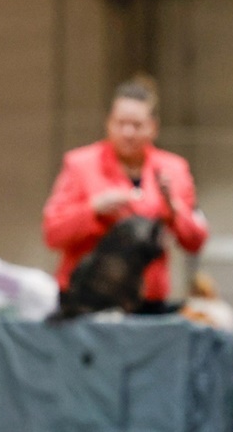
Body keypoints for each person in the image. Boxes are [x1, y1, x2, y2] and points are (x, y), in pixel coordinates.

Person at [43, 75, 208, 312]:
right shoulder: (80, 165)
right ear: (108, 123)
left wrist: (173, 208)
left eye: (137, 125)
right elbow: (52, 232)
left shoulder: (174, 170)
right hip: (85, 299)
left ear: (154, 127)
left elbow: (196, 241)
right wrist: (93, 209)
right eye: (120, 123)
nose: (128, 132)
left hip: (147, 300)